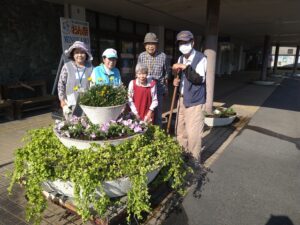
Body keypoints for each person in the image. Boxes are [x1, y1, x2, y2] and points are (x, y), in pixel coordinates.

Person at [172, 30, 207, 165]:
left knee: (193, 134)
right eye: (181, 43)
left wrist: (184, 67)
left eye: (186, 42)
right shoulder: (181, 58)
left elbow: (198, 79)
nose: (183, 45)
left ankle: (194, 161)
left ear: (192, 43)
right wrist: (175, 80)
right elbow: (181, 77)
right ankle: (183, 155)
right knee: (180, 131)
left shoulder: (201, 58)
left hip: (195, 101)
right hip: (182, 99)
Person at [138, 32, 170, 126]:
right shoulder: (141, 56)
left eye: (153, 44)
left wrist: (166, 89)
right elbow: (138, 73)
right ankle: (145, 132)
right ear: (145, 45)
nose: (150, 46)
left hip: (159, 89)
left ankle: (157, 134)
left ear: (157, 45)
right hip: (144, 89)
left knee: (158, 113)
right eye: (148, 44)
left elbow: (166, 74)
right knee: (144, 111)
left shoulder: (163, 56)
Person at [58, 41, 93, 119]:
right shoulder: (66, 67)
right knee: (73, 126)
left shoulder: (90, 67)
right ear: (73, 54)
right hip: (71, 103)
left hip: (87, 103)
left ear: (86, 54)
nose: (80, 55)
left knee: (87, 125)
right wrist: (62, 100)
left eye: (82, 52)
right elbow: (61, 84)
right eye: (77, 52)